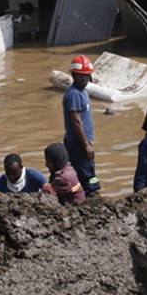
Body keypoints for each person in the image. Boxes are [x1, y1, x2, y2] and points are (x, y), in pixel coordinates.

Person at [63, 55, 100, 196]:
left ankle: (84, 196)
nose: (84, 79)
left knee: (85, 173)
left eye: (86, 76)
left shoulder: (82, 91)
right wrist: (86, 145)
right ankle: (92, 196)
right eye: (80, 76)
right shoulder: (74, 94)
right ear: (73, 75)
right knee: (88, 176)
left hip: (81, 142)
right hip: (78, 143)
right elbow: (76, 120)